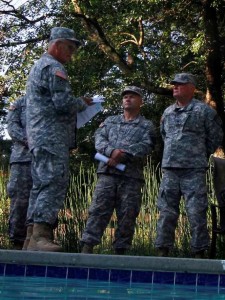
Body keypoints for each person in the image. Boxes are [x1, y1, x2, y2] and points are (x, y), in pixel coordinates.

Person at [24, 27, 92, 252]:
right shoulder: (54, 67)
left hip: (39, 136)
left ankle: (30, 238)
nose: (71, 54)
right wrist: (83, 103)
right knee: (52, 182)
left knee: (40, 185)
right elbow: (63, 104)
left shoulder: (37, 66)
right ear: (57, 44)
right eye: (70, 48)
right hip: (51, 136)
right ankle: (40, 236)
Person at [80, 86, 156, 255]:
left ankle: (120, 254)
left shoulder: (146, 125)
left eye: (132, 96)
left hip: (131, 177)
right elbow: (99, 139)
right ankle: (86, 250)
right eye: (125, 97)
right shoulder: (110, 121)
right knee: (98, 211)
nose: (128, 99)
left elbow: (146, 145)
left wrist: (123, 154)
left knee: (127, 215)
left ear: (141, 101)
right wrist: (111, 152)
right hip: (107, 174)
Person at [155, 73, 223, 258]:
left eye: (180, 84)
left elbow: (216, 136)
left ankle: (199, 253)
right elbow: (164, 136)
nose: (175, 87)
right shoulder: (168, 112)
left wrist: (198, 153)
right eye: (174, 85)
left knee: (196, 212)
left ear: (192, 88)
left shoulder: (204, 111)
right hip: (170, 170)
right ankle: (162, 251)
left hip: (193, 170)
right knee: (166, 212)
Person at [6, 95, 32, 250]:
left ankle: (37, 242)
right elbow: (12, 127)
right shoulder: (21, 102)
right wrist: (30, 140)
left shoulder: (52, 100)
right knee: (20, 203)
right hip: (23, 159)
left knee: (44, 204)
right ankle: (17, 245)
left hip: (46, 161)